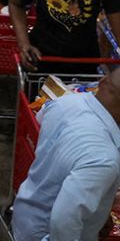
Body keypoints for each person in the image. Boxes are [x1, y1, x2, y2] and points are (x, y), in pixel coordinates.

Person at [12, 66, 120, 241]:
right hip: (46, 233)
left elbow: (41, 125)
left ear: (103, 82)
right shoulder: (104, 159)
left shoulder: (65, 102)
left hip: (26, 209)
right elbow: (63, 221)